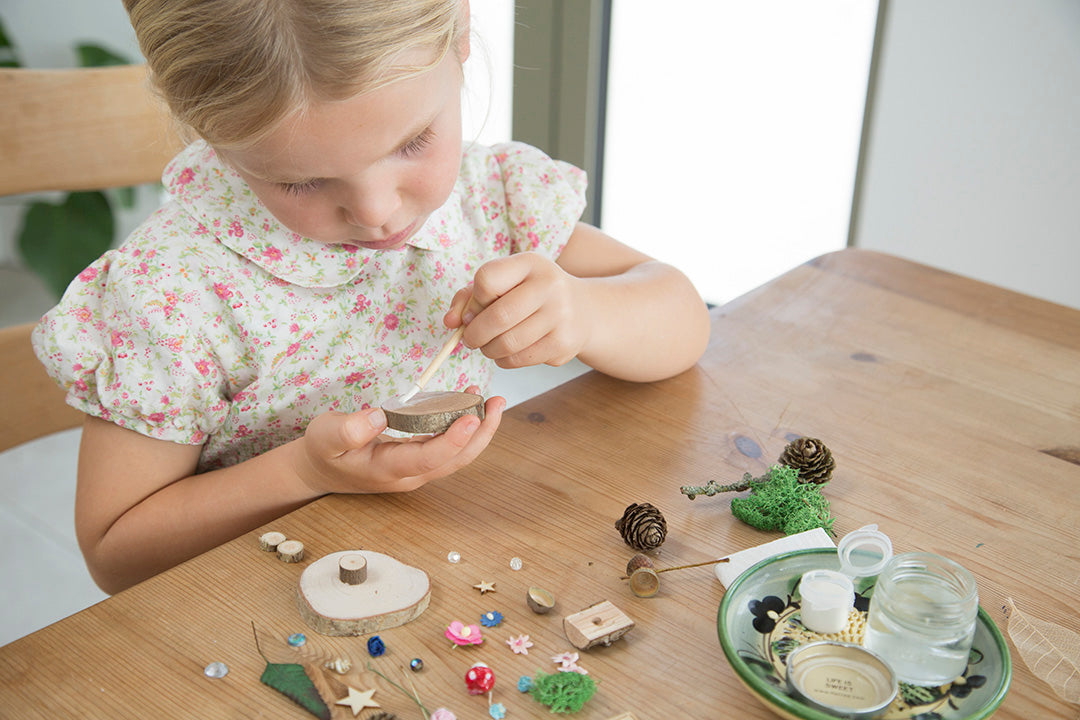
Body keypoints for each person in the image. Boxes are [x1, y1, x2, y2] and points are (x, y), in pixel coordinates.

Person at [32, 0, 711, 594]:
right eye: (301, 183)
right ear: (214, 136)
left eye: (413, 141)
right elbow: (116, 553)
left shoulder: (489, 200)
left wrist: (586, 312)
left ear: (462, 33)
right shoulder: (173, 294)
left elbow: (683, 320)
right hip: (264, 611)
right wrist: (303, 471)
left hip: (458, 567)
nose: (380, 213)